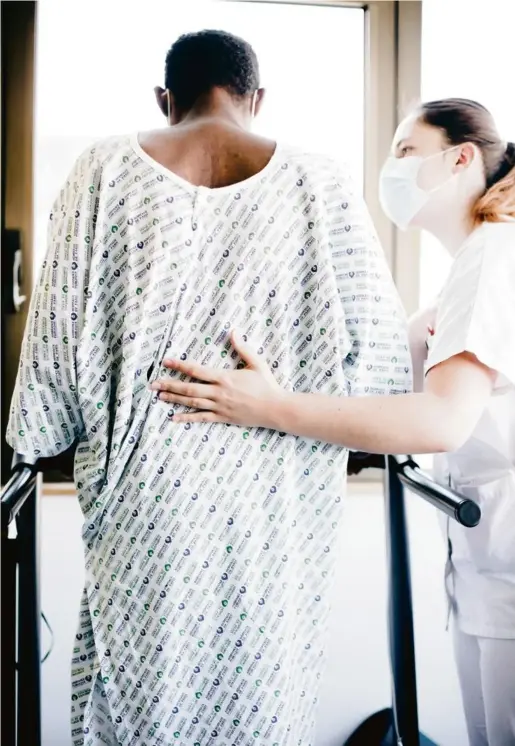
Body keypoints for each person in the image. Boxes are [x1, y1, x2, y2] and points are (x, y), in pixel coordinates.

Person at [6, 29, 412, 746]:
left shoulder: (100, 170)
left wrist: (38, 441)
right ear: (257, 99)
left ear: (165, 100)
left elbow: (51, 359)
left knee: (134, 707)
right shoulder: (320, 181)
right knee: (264, 699)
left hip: (144, 510)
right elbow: (378, 367)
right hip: (274, 514)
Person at [153, 97, 515, 746]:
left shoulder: (492, 258)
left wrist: (265, 406)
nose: (391, 168)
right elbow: (418, 381)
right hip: (491, 561)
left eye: (406, 151)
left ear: (461, 158)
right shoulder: (476, 263)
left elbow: (441, 420)